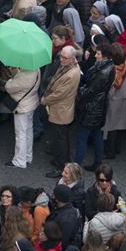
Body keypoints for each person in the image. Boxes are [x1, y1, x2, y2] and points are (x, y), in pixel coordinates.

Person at [42, 45, 81, 177]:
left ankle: (62, 166)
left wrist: (46, 100)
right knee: (61, 138)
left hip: (62, 110)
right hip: (60, 109)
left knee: (61, 140)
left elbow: (60, 93)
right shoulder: (68, 66)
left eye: (65, 58)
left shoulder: (72, 74)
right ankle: (60, 160)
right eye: (61, 56)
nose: (61, 60)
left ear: (73, 58)